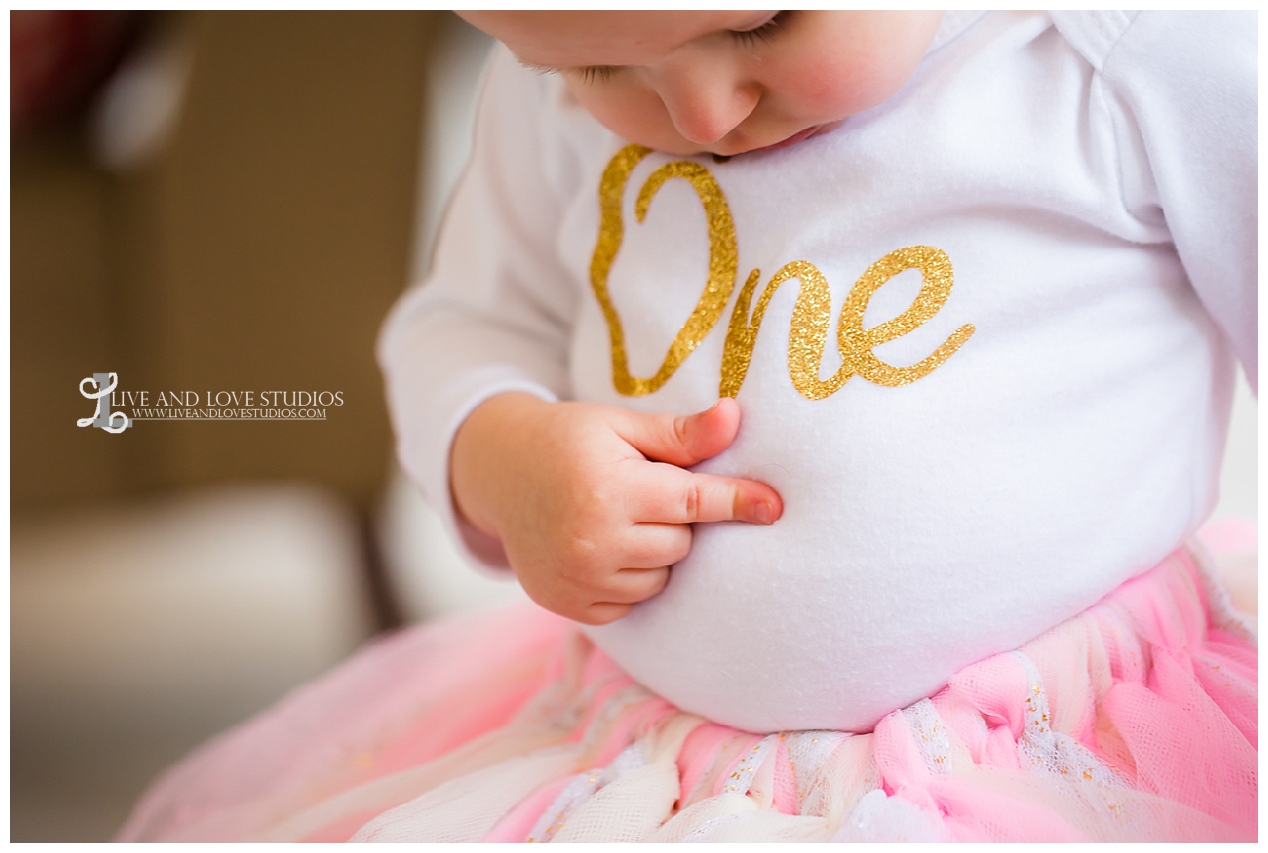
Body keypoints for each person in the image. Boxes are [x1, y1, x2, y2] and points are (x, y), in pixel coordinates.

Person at [119, 11, 1256, 842]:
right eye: (604, 66)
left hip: (1063, 740)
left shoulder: (1113, 51)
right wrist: (503, 454)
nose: (699, 112)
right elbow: (461, 324)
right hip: (648, 765)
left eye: (762, 25)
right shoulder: (546, 89)